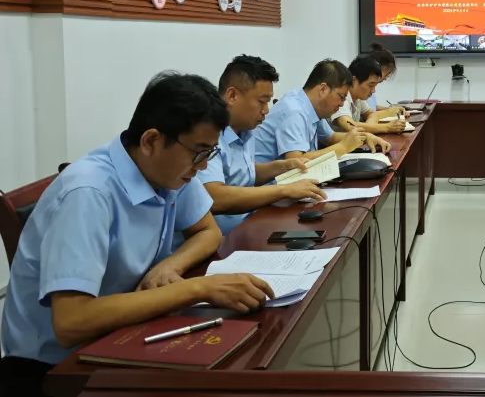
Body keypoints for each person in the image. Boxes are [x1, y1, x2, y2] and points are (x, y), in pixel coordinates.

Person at [0, 73, 276, 396]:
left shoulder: (167, 170)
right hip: (54, 370)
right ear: (151, 141)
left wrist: (169, 266)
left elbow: (207, 231)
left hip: (122, 332)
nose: (202, 167)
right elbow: (71, 322)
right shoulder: (88, 193)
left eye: (209, 154)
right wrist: (198, 288)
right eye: (199, 153)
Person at [197, 55, 328, 236]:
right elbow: (214, 197)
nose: (266, 110)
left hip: (253, 222)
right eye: (261, 101)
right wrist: (283, 190)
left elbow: (244, 175)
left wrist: (282, 167)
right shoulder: (208, 135)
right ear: (232, 96)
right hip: (227, 239)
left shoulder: (245, 130)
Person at [253, 59, 391, 162]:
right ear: (323, 89)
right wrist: (342, 148)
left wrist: (364, 137)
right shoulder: (294, 111)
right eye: (341, 97)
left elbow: (331, 137)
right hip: (266, 186)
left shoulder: (310, 105)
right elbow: (295, 161)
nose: (342, 103)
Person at [330, 55, 407, 134]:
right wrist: (387, 127)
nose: (373, 91)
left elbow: (371, 114)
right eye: (371, 85)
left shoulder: (358, 98)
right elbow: (349, 125)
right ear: (354, 81)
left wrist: (371, 125)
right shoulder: (342, 98)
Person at [365, 43, 402, 115]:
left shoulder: (371, 87)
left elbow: (372, 107)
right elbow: (370, 113)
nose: (385, 79)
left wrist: (392, 110)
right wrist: (389, 112)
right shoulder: (364, 87)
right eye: (386, 74)